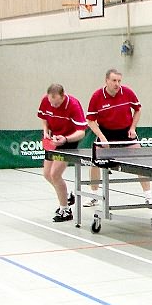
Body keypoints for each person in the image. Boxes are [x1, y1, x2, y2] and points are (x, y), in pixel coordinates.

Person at [85, 69, 152, 206]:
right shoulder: (97, 96)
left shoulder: (127, 92)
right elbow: (90, 120)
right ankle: (94, 196)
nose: (117, 84)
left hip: (126, 132)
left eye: (119, 81)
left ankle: (149, 196)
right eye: (114, 80)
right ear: (107, 81)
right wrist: (101, 137)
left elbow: (138, 109)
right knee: (94, 162)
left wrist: (133, 128)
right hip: (106, 133)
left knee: (141, 163)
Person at [38, 83, 87, 222]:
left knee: (55, 174)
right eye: (51, 103)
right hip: (53, 139)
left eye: (56, 103)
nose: (53, 106)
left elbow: (81, 132)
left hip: (68, 141)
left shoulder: (74, 105)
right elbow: (44, 118)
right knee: (47, 174)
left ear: (63, 96)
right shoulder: (46, 100)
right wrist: (45, 130)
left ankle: (65, 210)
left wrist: (65, 139)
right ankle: (66, 196)